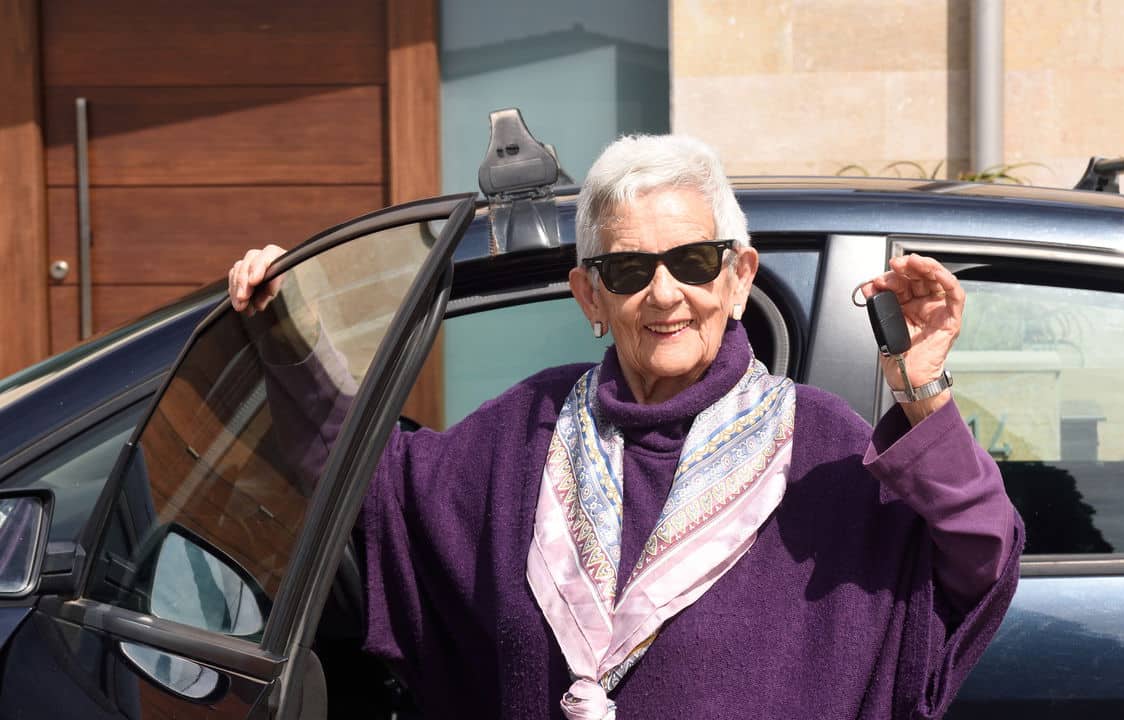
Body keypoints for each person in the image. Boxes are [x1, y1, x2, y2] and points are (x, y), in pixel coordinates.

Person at [228, 134, 1021, 719]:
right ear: (590, 298)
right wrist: (288, 327)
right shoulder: (526, 435)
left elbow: (980, 557)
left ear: (738, 279)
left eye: (695, 262)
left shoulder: (816, 443)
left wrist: (922, 391)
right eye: (630, 270)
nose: (665, 294)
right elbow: (367, 485)